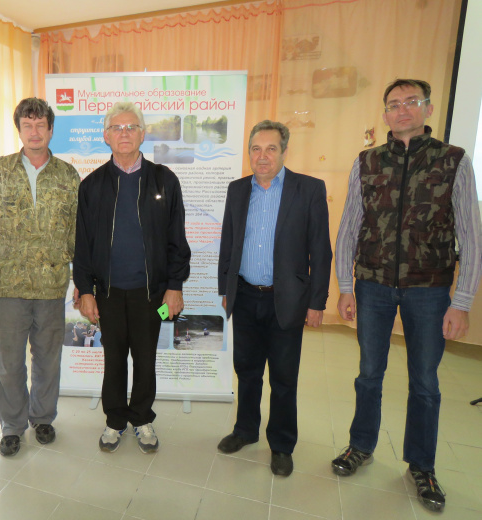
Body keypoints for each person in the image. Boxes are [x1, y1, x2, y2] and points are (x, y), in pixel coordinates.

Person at [332, 79, 482, 511]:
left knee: (425, 382)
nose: (402, 110)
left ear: (427, 109)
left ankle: (422, 465)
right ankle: (361, 445)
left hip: (429, 290)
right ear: (385, 114)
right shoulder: (367, 161)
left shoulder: (453, 160)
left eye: (411, 102)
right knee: (368, 374)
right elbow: (349, 227)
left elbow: (471, 235)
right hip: (373, 285)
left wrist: (462, 301)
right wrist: (345, 287)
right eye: (394, 104)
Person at [73, 101, 191, 454]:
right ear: (106, 136)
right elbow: (83, 244)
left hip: (150, 293)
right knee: (113, 361)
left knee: (145, 359)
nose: (124, 133)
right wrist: (85, 290)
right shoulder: (92, 185)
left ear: (142, 134)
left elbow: (176, 238)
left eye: (131, 127)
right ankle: (114, 420)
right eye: (117, 128)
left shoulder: (164, 180)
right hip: (108, 293)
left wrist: (174, 286)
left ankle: (141, 418)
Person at [217, 120, 332, 476]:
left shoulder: (308, 189)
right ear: (249, 152)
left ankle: (281, 445)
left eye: (270, 149)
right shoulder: (238, 190)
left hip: (287, 300)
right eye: (256, 149)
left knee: (283, 377)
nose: (262, 156)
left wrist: (316, 302)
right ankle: (245, 430)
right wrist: (226, 289)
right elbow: (228, 242)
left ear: (284, 152)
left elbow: (320, 251)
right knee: (247, 370)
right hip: (245, 296)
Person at [0, 97, 80, 458]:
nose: (34, 132)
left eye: (40, 125)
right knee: (7, 361)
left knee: (47, 358)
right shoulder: (0, 170)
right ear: (19, 130)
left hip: (51, 285)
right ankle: (12, 424)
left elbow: (76, 232)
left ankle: (43, 417)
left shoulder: (67, 175)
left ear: (51, 129)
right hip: (9, 283)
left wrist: (82, 279)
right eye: (27, 125)